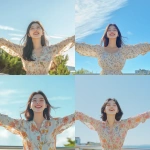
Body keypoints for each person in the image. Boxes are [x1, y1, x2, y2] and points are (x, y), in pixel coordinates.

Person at [0, 91, 75, 150]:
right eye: (34, 100)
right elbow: (3, 119)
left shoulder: (54, 124)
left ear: (46, 105)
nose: (38, 102)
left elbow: (77, 116)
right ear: (30, 105)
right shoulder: (23, 125)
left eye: (41, 100)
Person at [0, 21, 75, 75]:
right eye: (32, 28)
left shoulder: (51, 50)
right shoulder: (22, 50)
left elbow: (70, 40)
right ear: (29, 34)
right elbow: (3, 41)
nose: (35, 29)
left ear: (42, 32)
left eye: (38, 27)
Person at [76, 98, 150, 150]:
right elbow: (79, 115)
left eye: (114, 105)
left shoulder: (124, 124)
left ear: (118, 110)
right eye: (108, 105)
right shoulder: (99, 125)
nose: (111, 106)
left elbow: (143, 115)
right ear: (104, 110)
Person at [75, 24, 150, 75]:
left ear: (118, 34)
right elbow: (83, 47)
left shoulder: (124, 50)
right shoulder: (99, 50)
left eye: (114, 29)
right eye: (109, 30)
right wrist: (71, 41)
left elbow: (140, 47)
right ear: (106, 33)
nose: (112, 31)